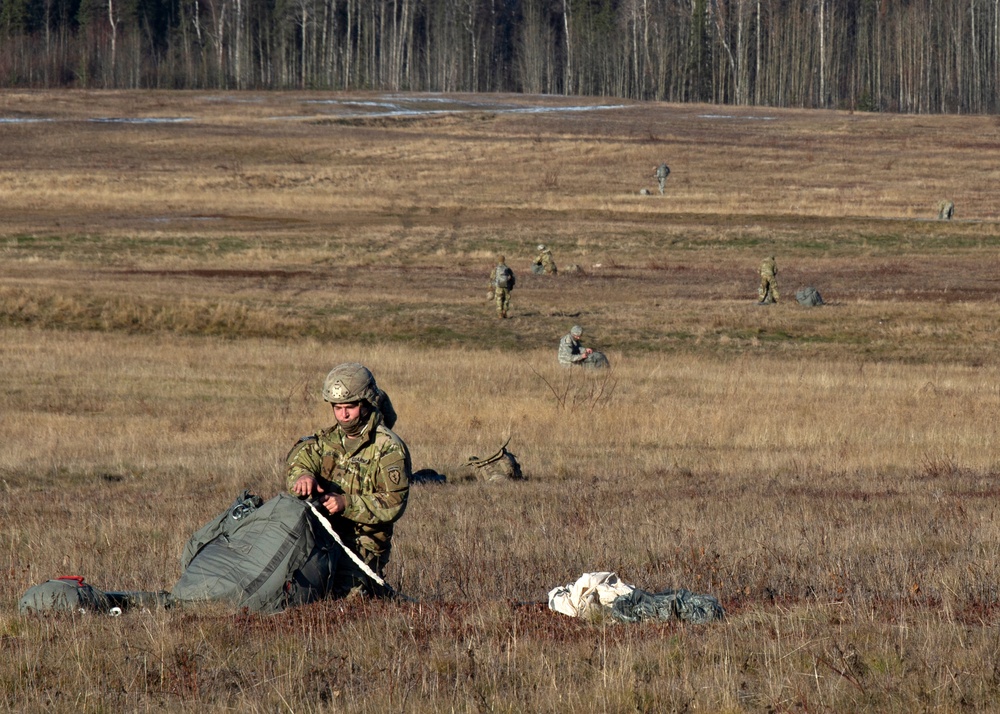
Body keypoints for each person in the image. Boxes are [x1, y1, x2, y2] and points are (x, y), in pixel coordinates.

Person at [285, 362, 411, 599]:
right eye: (337, 408)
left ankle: (374, 591)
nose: (343, 415)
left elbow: (394, 502)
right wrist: (302, 476)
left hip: (364, 543)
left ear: (365, 404)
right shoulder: (328, 439)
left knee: (346, 599)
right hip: (321, 535)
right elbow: (301, 458)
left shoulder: (388, 447)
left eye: (350, 407)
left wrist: (346, 503)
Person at [488, 254, 516, 318]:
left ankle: (500, 314)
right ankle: (504, 312)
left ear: (498, 260)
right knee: (506, 299)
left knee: (499, 299)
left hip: (498, 286)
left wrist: (490, 286)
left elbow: (492, 278)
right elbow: (513, 278)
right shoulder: (508, 269)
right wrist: (511, 285)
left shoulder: (496, 269)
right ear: (504, 260)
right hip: (506, 286)